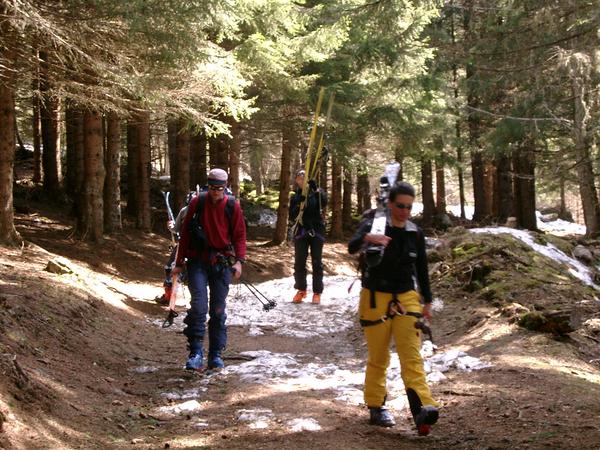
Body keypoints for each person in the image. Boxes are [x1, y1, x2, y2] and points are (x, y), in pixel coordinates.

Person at [348, 181, 439, 436]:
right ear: (390, 203)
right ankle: (376, 405)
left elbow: (421, 268)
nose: (405, 211)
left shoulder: (414, 232)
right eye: (400, 206)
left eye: (409, 207)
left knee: (411, 355)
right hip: (375, 297)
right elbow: (352, 245)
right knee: (379, 357)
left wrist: (427, 301)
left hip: (407, 297)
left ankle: (423, 408)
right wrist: (368, 238)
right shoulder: (374, 224)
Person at [172, 168, 246, 372]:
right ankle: (195, 353)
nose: (215, 192)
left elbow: (240, 235)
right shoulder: (198, 202)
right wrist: (179, 262)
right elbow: (185, 234)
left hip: (222, 264)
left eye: (219, 188)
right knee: (198, 306)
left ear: (225, 187)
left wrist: (239, 261)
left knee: (218, 309)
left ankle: (215, 354)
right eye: (212, 188)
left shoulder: (232, 205)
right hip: (197, 261)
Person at [288, 169, 327, 304]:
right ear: (296, 181)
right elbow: (292, 215)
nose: (301, 180)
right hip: (302, 230)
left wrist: (316, 191)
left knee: (317, 261)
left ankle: (317, 292)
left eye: (304, 178)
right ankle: (301, 289)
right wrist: (299, 203)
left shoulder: (317, 192)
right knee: (299, 261)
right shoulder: (295, 196)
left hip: (316, 230)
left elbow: (324, 202)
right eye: (299, 178)